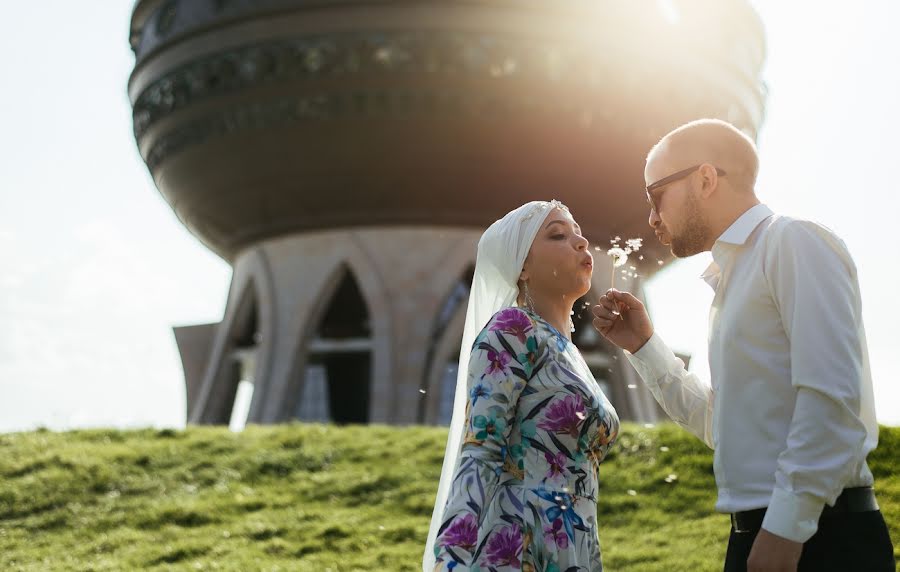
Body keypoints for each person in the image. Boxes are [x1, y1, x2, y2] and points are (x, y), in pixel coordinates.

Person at [591, 118, 895, 571]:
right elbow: (723, 426)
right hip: (763, 537)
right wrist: (644, 345)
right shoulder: (729, 280)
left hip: (816, 541)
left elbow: (834, 399)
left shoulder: (793, 241)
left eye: (656, 196)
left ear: (706, 178)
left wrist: (785, 531)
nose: (652, 217)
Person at [423, 200, 620, 571]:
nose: (580, 242)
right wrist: (450, 560)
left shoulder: (570, 353)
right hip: (516, 544)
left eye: (578, 233)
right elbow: (480, 448)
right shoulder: (513, 330)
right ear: (523, 267)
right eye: (559, 235)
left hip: (574, 543)